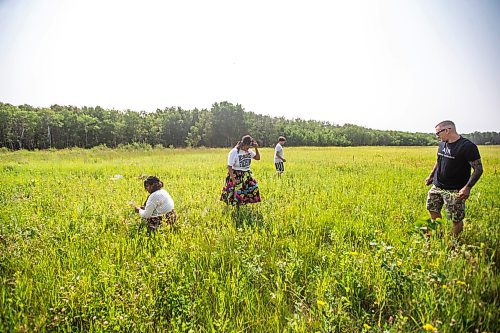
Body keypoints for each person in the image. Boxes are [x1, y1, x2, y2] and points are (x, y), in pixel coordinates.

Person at [425, 120, 483, 235]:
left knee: (455, 218)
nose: (437, 136)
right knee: (432, 209)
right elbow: (439, 160)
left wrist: (467, 187)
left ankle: (454, 243)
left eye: (438, 133)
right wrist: (431, 176)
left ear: (447, 130)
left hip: (455, 190)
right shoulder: (442, 143)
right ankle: (438, 234)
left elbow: (478, 169)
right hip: (437, 186)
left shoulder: (467, 146)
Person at [221, 135, 261, 205]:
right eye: (247, 146)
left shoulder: (249, 151)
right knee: (238, 193)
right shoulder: (234, 152)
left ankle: (244, 205)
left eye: (249, 147)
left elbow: (257, 158)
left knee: (254, 188)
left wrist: (256, 148)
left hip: (247, 174)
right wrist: (233, 179)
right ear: (244, 144)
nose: (248, 148)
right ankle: (237, 209)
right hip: (236, 174)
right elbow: (229, 166)